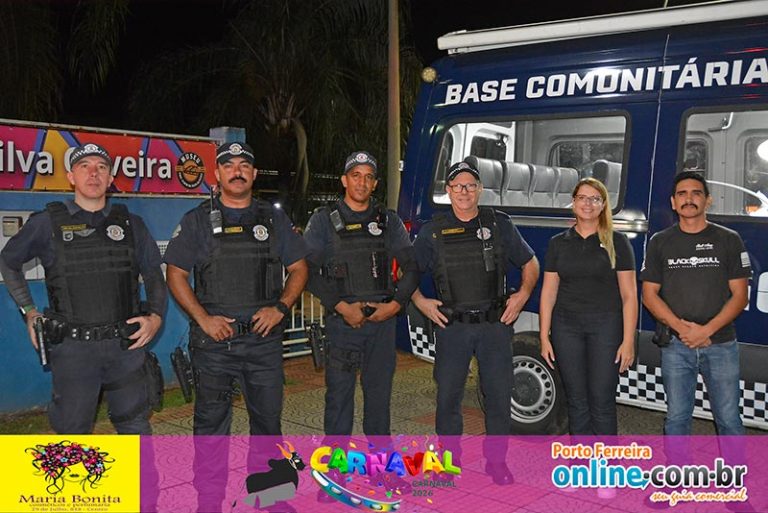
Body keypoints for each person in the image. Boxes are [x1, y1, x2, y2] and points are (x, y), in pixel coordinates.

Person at [0, 143, 166, 434]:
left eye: (101, 167)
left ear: (110, 178)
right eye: (84, 166)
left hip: (125, 347)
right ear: (71, 177)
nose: (93, 173)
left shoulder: (132, 224)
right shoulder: (47, 223)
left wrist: (155, 317)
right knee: (73, 433)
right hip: (74, 350)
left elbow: (153, 273)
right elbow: (8, 261)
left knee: (135, 426)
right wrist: (29, 312)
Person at [164, 141, 309, 436]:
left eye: (244, 166)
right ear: (217, 174)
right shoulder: (197, 220)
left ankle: (267, 470)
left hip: (263, 342)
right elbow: (175, 274)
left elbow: (299, 268)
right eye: (228, 166)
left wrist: (280, 308)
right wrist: (203, 319)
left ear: (254, 174)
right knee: (210, 427)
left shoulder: (273, 218)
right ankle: (211, 473)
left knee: (268, 425)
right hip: (215, 345)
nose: (237, 172)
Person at [411, 161, 539, 484]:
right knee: (448, 397)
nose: (464, 192)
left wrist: (523, 295)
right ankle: (449, 463)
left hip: (494, 326)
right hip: (452, 327)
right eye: (458, 186)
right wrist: (420, 302)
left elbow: (531, 263)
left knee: (498, 396)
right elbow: (407, 272)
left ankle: (496, 462)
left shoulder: (499, 224)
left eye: (470, 185)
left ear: (480, 189)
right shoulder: (432, 231)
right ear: (448, 191)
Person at [303, 150, 420, 436]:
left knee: (379, 399)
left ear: (375, 184)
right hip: (342, 323)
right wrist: (342, 307)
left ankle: (379, 460)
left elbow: (412, 267)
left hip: (382, 323)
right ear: (344, 180)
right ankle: (336, 460)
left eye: (368, 177)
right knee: (339, 399)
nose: (362, 182)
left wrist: (394, 306)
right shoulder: (323, 220)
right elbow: (307, 271)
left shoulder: (388, 221)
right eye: (356, 176)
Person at [641, 170, 751, 435]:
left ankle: (733, 464)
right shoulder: (660, 242)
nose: (688, 199)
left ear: (707, 200)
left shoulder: (729, 239)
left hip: (721, 343)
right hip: (677, 345)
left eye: (696, 193)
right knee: (677, 418)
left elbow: (740, 296)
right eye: (682, 194)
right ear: (673, 202)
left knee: (729, 419)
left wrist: (705, 331)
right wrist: (683, 329)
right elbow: (649, 295)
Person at [539, 177, 637, 436]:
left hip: (605, 328)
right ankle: (581, 456)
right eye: (582, 198)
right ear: (573, 203)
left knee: (602, 401)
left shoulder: (618, 242)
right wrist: (544, 336)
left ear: (603, 204)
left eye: (594, 199)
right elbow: (548, 292)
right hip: (566, 328)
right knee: (576, 401)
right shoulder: (558, 243)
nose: (588, 204)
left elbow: (629, 296)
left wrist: (628, 341)